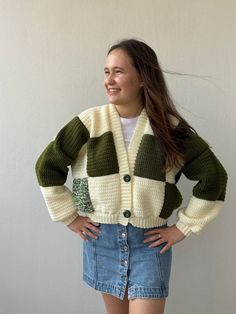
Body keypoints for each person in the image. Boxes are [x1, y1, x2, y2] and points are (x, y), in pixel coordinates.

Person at [35, 38, 228, 314]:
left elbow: (213, 177)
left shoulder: (168, 128)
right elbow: (47, 167)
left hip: (150, 243)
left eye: (118, 71)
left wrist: (183, 228)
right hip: (102, 240)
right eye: (106, 71)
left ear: (141, 77)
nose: (109, 80)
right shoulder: (89, 122)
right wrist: (69, 216)